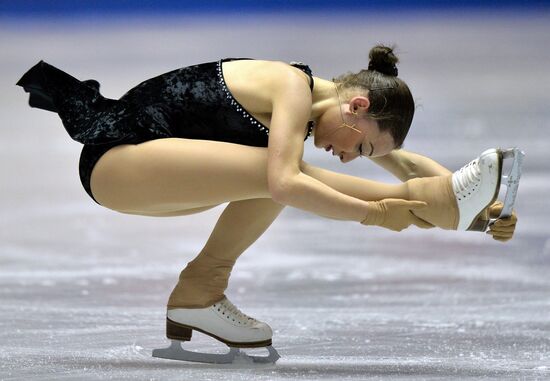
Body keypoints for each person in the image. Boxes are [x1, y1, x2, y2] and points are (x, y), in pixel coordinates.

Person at [16, 45, 517, 358]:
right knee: (283, 174)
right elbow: (285, 181)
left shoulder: (319, 115)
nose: (349, 159)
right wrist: (379, 213)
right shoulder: (290, 85)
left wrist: (479, 213)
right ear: (356, 105)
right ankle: (429, 208)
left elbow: (406, 166)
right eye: (360, 147)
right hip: (117, 162)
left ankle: (199, 295)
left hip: (148, 174)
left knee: (280, 173)